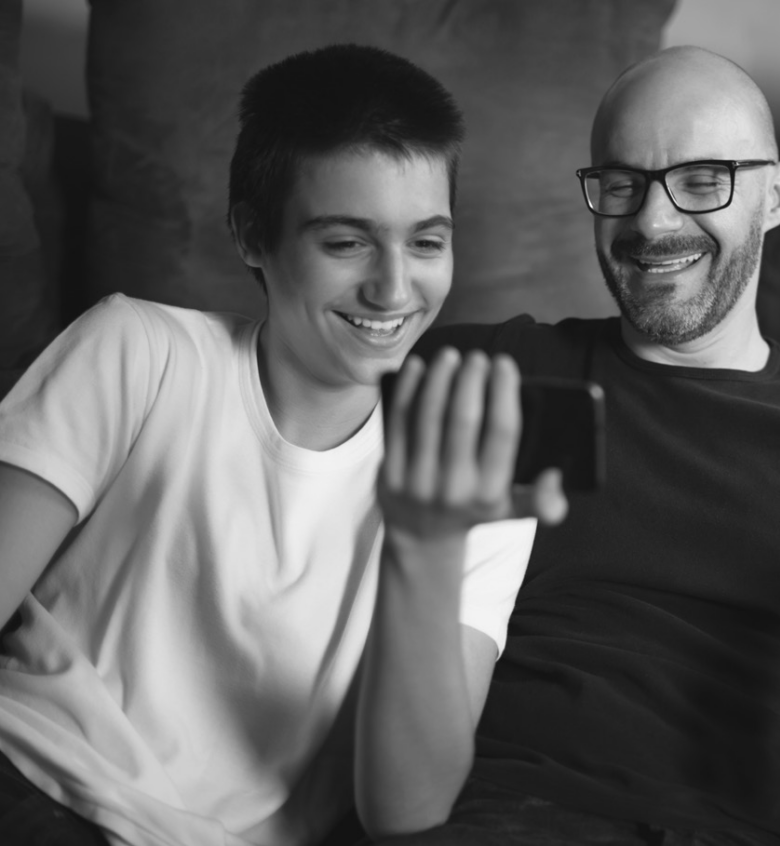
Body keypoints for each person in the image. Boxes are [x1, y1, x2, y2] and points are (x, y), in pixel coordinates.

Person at [383, 45, 780, 845]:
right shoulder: (496, 372)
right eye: (621, 184)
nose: (653, 222)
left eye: (701, 180)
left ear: (777, 195)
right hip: (513, 820)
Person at [0, 44, 557, 846]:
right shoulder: (140, 351)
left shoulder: (477, 484)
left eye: (427, 243)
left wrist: (427, 545)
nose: (395, 289)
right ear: (252, 236)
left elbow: (409, 813)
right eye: (347, 243)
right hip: (25, 765)